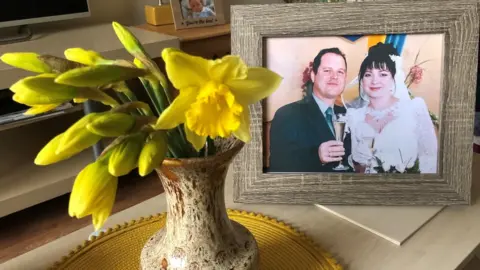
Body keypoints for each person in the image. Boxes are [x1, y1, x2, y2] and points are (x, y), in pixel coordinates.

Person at [348, 42, 438, 173]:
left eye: (383, 74)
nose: (374, 81)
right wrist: (359, 163)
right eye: (368, 74)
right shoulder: (354, 116)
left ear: (394, 78)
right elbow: (359, 170)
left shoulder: (415, 108)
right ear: (362, 80)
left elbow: (430, 158)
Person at [269, 48, 352, 173]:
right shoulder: (287, 115)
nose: (334, 76)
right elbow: (278, 167)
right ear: (313, 75)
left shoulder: (350, 114)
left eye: (340, 72)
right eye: (327, 70)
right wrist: (316, 156)